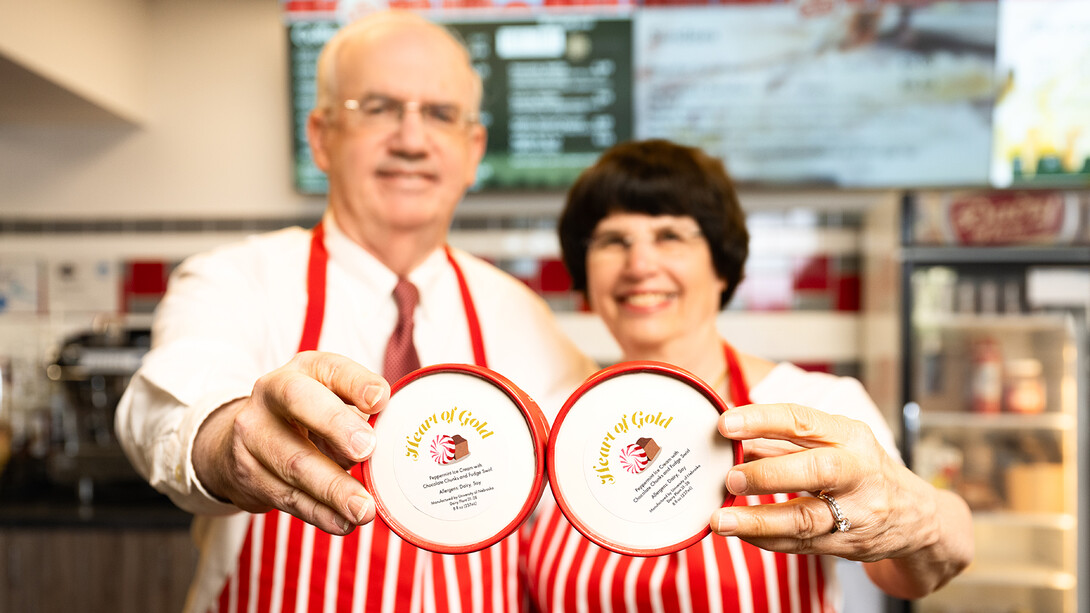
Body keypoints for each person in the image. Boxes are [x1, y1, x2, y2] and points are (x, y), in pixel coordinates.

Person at [115, 11, 595, 613]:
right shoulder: (235, 279)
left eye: (440, 114)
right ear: (320, 137)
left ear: (473, 150)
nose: (412, 140)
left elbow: (583, 485)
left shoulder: (523, 315)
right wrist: (235, 440)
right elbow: (168, 407)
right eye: (378, 107)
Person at [525, 139, 973, 611]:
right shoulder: (556, 424)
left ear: (721, 264)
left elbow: (910, 575)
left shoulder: (814, 404)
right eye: (614, 241)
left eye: (670, 236)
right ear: (586, 275)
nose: (639, 265)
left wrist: (921, 519)